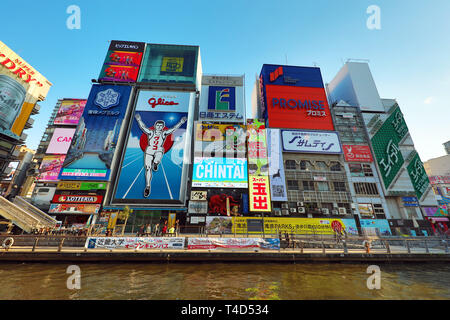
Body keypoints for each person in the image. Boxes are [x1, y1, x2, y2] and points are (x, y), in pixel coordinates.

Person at [134, 113, 187, 197]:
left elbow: (173, 129)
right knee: (147, 168)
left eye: (160, 125)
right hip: (149, 151)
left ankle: (155, 163)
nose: (158, 127)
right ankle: (147, 186)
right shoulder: (151, 132)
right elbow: (143, 127)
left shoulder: (164, 133)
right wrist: (139, 119)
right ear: (155, 126)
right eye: (157, 125)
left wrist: (181, 122)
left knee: (159, 154)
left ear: (162, 127)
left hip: (158, 150)